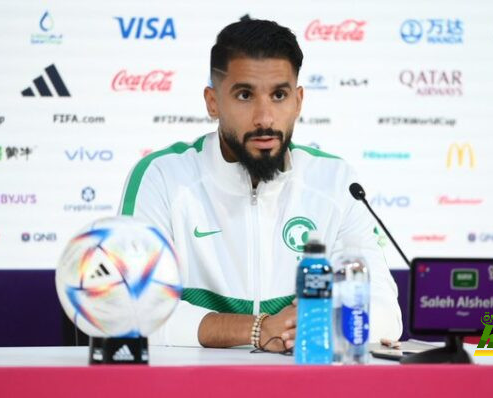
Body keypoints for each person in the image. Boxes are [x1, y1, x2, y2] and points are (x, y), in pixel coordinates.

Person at [119, 18, 402, 351]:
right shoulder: (163, 177)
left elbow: (384, 313)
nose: (265, 118)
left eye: (279, 95)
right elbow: (130, 311)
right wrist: (256, 329)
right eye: (244, 95)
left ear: (298, 101)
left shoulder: (337, 183)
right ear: (212, 102)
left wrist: (316, 326)